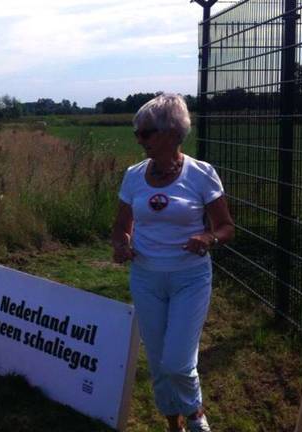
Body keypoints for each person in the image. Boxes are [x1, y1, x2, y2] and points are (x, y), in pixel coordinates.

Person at [111, 94, 234, 432]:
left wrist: (208, 238)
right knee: (157, 361)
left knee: (177, 362)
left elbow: (226, 227)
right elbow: (121, 226)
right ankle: (173, 424)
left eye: (145, 132)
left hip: (189, 279)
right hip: (146, 278)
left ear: (170, 132)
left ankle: (195, 415)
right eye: (137, 132)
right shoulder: (133, 175)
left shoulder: (201, 174)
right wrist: (121, 244)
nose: (138, 139)